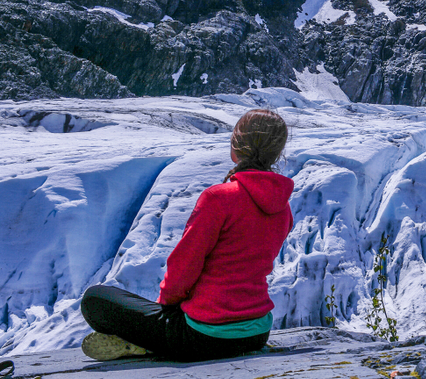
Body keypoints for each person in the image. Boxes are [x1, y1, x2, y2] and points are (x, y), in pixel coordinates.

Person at [79, 109, 293, 362]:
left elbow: (184, 266)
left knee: (95, 299)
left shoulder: (219, 198)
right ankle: (154, 342)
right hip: (256, 332)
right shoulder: (283, 207)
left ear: (236, 146)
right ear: (277, 152)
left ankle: (151, 344)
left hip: (204, 335)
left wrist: (166, 309)